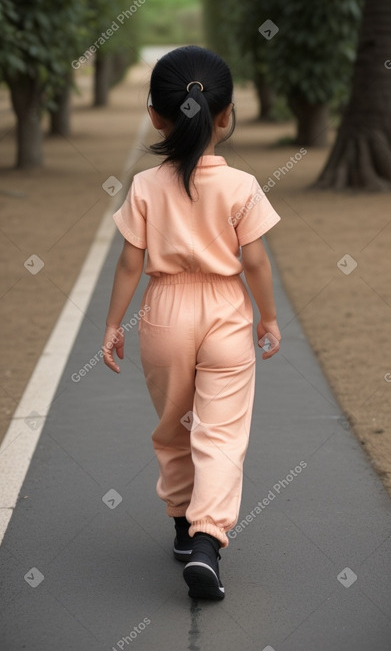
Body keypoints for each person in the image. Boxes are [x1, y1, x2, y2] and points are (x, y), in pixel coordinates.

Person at [103, 45, 281, 601]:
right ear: (226, 116)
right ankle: (209, 539)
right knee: (222, 431)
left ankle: (182, 524)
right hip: (227, 309)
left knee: (175, 424)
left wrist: (113, 325)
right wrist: (268, 317)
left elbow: (130, 261)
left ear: (155, 115)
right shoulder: (242, 186)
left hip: (164, 313)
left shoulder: (146, 187)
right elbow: (254, 261)